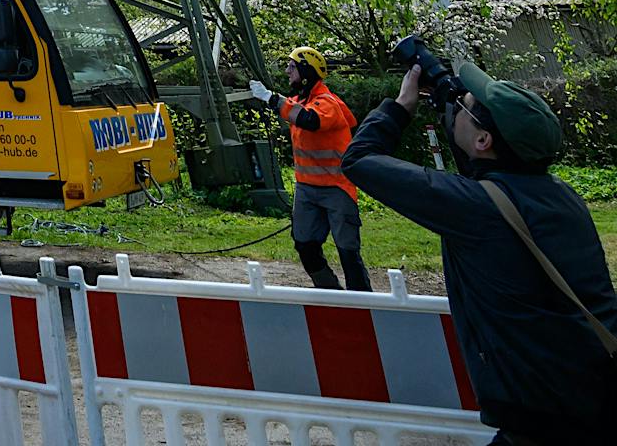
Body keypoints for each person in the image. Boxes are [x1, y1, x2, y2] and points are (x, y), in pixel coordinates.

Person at [343, 57, 617, 443]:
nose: (458, 106)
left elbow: (359, 160)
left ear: (484, 140)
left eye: (466, 106)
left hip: (542, 420)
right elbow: (484, 175)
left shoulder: (476, 209)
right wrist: (456, 112)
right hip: (593, 394)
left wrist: (400, 106)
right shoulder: (562, 196)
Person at [250, 45, 369, 291]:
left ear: (306, 71)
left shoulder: (327, 103)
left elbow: (309, 119)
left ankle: (363, 302)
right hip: (307, 189)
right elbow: (295, 112)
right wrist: (272, 101)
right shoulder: (298, 101)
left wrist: (272, 98)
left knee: (347, 250)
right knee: (304, 244)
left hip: (337, 188)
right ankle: (330, 294)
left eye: (292, 67)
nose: (287, 71)